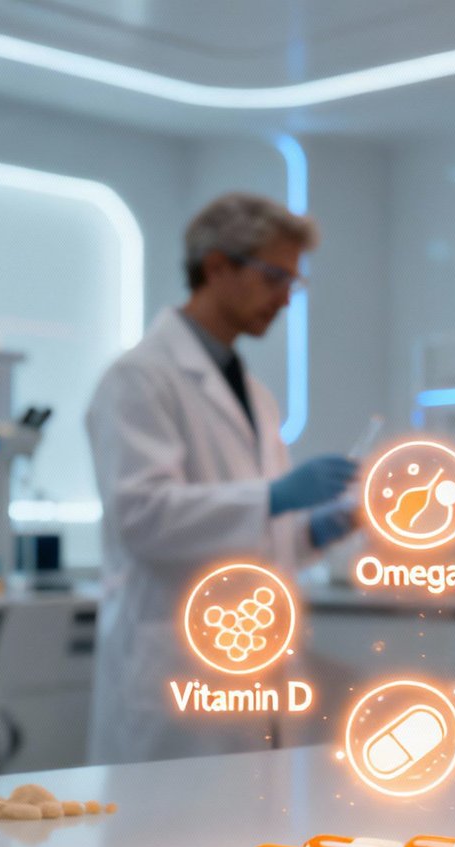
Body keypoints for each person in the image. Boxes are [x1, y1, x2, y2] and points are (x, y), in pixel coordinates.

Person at [86, 192, 360, 764]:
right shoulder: (139, 380)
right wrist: (274, 497)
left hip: (251, 654)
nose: (286, 297)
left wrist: (316, 529)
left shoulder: (253, 393)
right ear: (216, 267)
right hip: (175, 663)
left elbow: (253, 534)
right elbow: (143, 518)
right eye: (273, 277)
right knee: (162, 844)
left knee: (249, 840)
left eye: (294, 282)